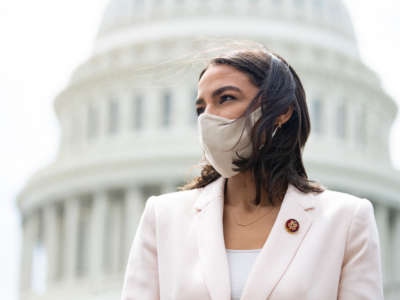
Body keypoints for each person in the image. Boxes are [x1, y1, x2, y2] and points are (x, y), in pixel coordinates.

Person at [120, 45, 384, 300]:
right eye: (201, 108)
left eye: (226, 99)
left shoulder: (345, 220)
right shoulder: (164, 217)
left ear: (281, 112)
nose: (207, 118)